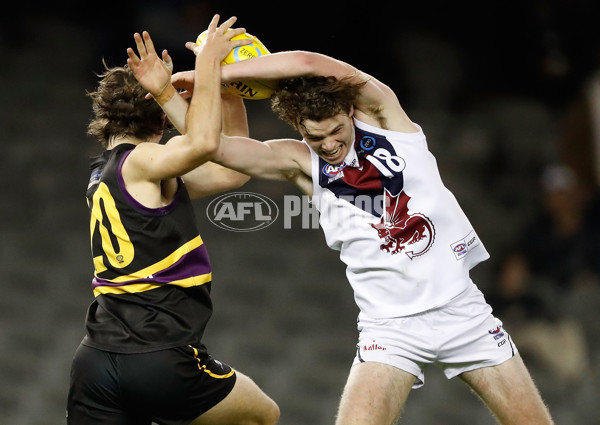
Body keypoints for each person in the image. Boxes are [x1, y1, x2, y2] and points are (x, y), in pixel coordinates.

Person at [166, 38, 556, 424]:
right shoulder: (297, 160)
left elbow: (305, 60)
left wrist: (219, 69)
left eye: (337, 131)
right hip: (388, 329)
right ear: (298, 126)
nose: (330, 145)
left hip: (463, 312)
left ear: (350, 110)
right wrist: (185, 91)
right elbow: (215, 148)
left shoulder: (388, 121)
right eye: (316, 137)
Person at [67, 15, 280, 425]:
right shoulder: (144, 160)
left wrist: (224, 92)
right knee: (261, 415)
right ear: (160, 118)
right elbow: (203, 142)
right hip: (158, 357)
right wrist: (204, 69)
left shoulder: (108, 173)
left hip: (94, 361)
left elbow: (232, 170)